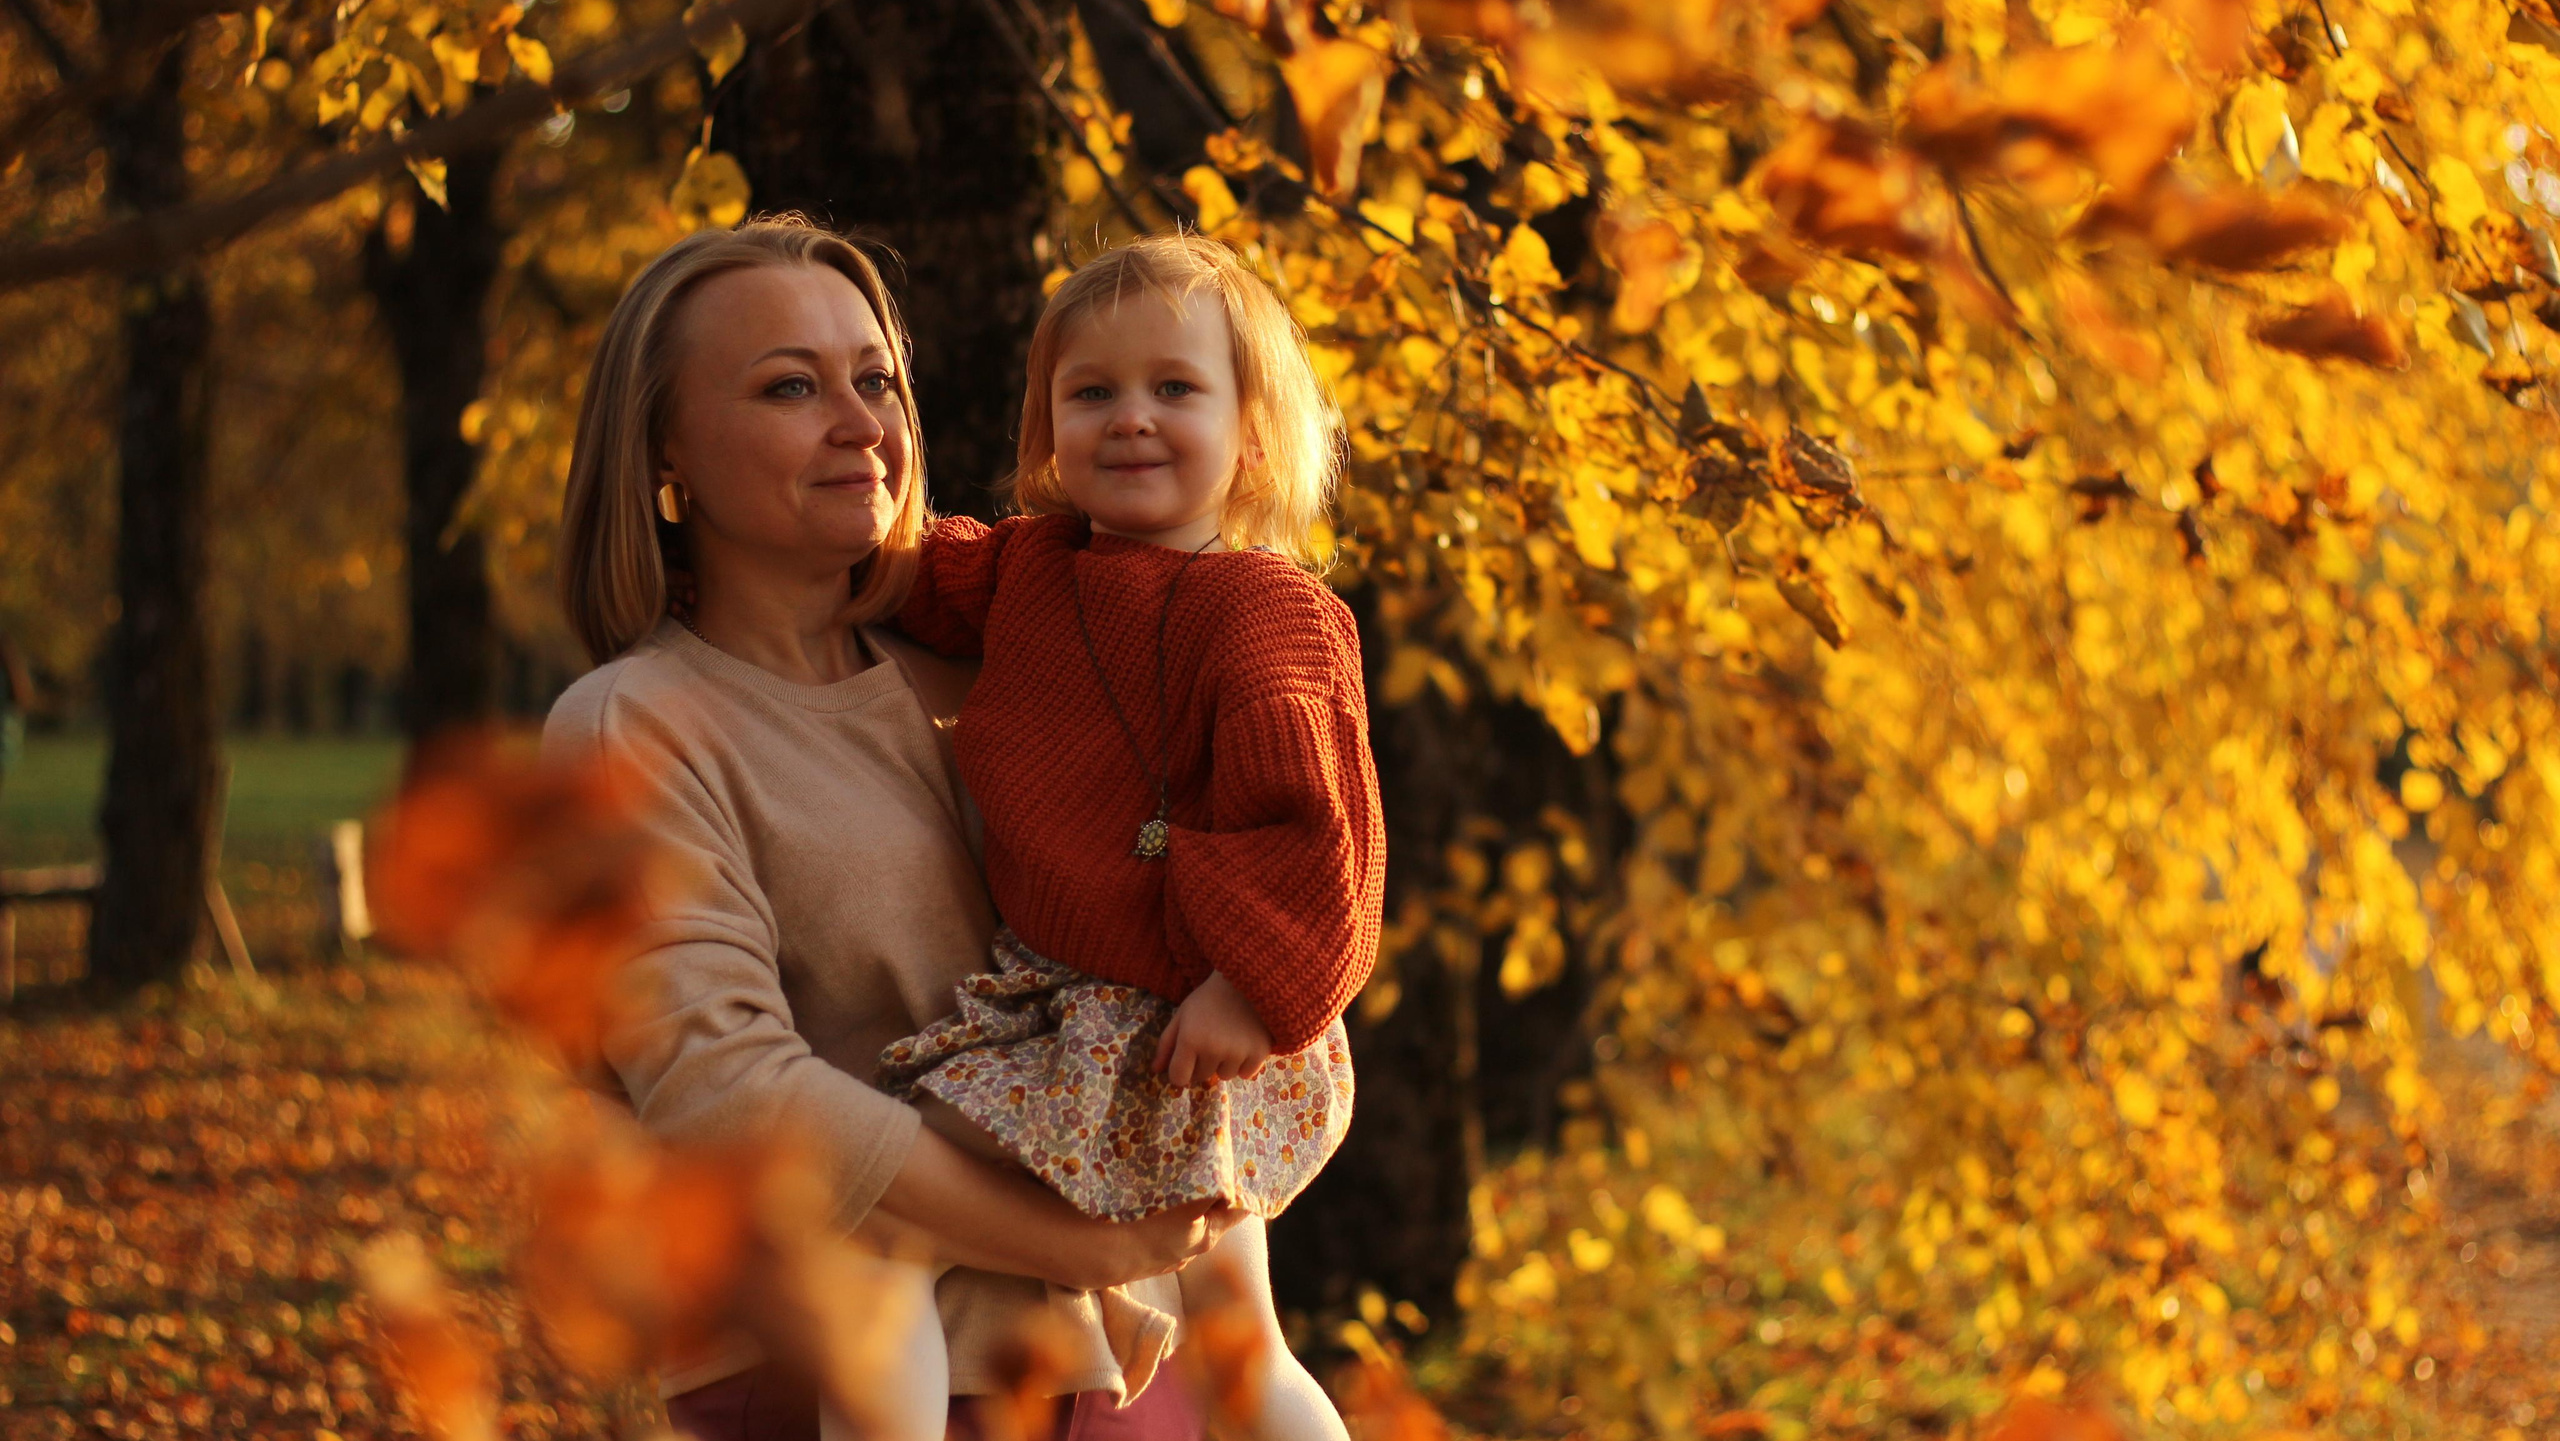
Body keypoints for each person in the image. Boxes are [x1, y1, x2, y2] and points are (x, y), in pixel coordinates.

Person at [544, 216, 1241, 1441]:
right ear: (666, 450)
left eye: (876, 380)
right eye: (789, 386)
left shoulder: (1001, 676)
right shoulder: (633, 726)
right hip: (838, 1375)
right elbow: (730, 1098)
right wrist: (1088, 1234)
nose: (862, 421)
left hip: (1116, 1353)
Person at [869, 234, 1385, 1441]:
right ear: (1046, 427)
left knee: (884, 1212)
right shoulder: (1033, 568)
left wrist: (1249, 991)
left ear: (1252, 431)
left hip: (1195, 1019)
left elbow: (1319, 833)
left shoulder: (1268, 610)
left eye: (1175, 388)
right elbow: (908, 573)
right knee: (1229, 1330)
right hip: (1078, 1006)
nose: (1131, 419)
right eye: (1090, 392)